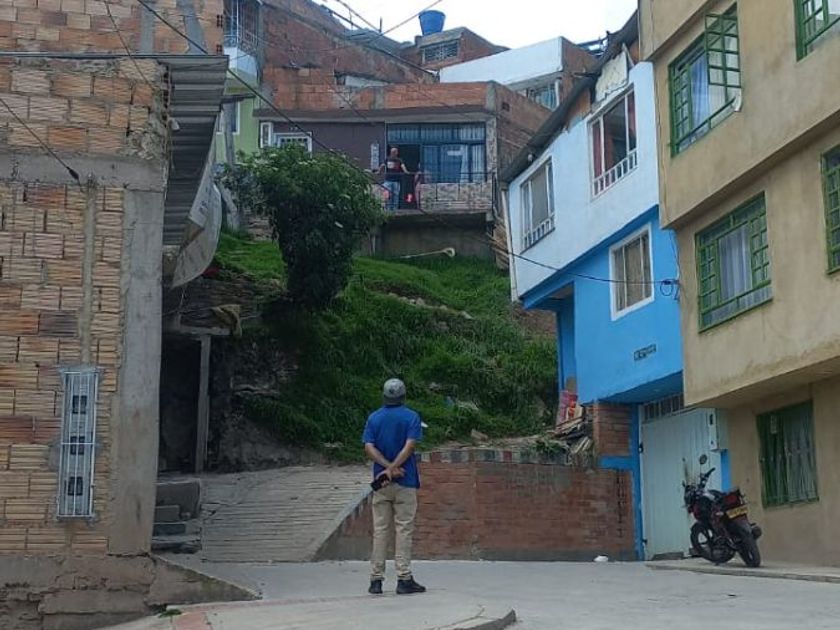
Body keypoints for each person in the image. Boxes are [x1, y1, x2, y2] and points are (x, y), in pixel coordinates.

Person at [362, 378, 426, 595]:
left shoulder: (374, 418)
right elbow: (409, 447)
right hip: (405, 481)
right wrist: (394, 468)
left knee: (380, 530)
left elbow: (369, 447)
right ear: (403, 395)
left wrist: (386, 469)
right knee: (403, 529)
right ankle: (404, 578)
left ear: (384, 396)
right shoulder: (411, 417)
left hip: (381, 482)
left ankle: (376, 579)